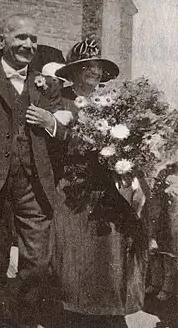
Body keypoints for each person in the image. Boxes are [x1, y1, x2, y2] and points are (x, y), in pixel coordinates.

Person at [26, 38, 150, 328]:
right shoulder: (61, 99)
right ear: (74, 71)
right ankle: (73, 311)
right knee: (75, 253)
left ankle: (105, 310)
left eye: (97, 67)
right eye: (87, 67)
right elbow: (54, 136)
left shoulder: (112, 104)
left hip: (106, 188)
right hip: (73, 187)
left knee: (107, 251)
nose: (94, 72)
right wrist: (54, 124)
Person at [0, 14, 64, 328]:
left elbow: (67, 132)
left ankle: (24, 318)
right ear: (2, 39)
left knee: (36, 262)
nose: (28, 45)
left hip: (34, 187)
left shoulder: (46, 85)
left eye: (33, 38)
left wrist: (51, 122)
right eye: (20, 37)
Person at [146, 163, 178, 302]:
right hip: (158, 215)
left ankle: (167, 287)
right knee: (155, 250)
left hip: (173, 217)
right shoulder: (162, 170)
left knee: (170, 253)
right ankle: (156, 282)